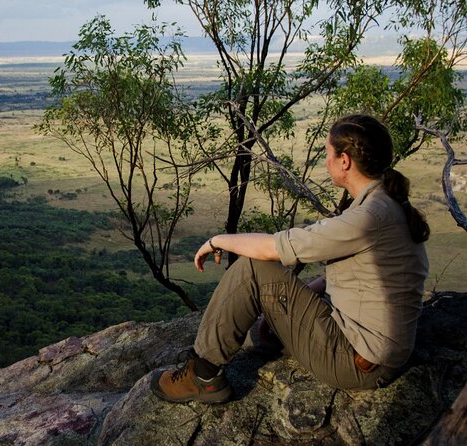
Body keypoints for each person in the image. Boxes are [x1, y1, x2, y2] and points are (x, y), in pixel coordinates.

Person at [151, 114, 430, 403]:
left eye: (328, 154)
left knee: (253, 269)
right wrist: (290, 303)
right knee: (261, 320)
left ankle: (204, 374)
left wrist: (217, 241)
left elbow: (273, 249)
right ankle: (223, 355)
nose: (326, 162)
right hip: (369, 351)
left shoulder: (369, 217)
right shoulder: (386, 202)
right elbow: (360, 277)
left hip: (357, 363)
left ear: (345, 161)